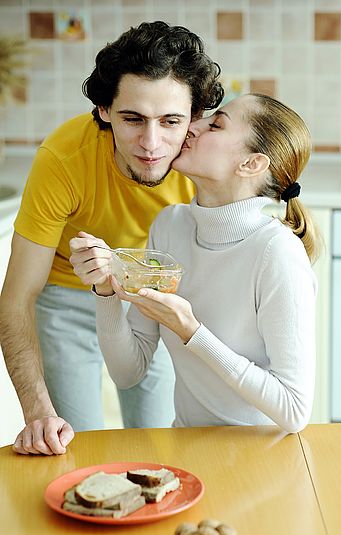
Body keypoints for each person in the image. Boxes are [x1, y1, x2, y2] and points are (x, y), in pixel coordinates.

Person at [0, 21, 223, 456]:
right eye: (132, 119)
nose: (152, 144)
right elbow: (16, 296)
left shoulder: (201, 165)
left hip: (150, 297)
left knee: (158, 445)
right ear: (104, 110)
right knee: (74, 448)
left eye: (171, 121)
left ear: (194, 117)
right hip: (67, 296)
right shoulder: (63, 159)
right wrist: (37, 412)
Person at [69, 93, 320, 433]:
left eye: (215, 125)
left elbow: (293, 411)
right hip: (187, 444)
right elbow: (128, 371)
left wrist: (192, 331)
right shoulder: (170, 225)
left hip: (262, 455)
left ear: (251, 164)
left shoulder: (276, 253)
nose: (192, 126)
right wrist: (105, 289)